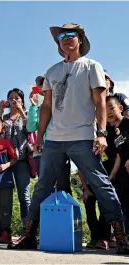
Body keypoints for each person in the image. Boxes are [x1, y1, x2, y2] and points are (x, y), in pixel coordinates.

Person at [8, 23, 129, 254]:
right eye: (61, 36)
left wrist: (101, 133)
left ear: (80, 39)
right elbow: (47, 106)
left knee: (101, 184)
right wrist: (40, 136)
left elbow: (100, 102)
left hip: (83, 136)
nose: (65, 39)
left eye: (70, 35)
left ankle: (121, 237)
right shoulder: (52, 71)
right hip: (54, 139)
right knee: (42, 186)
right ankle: (29, 235)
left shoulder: (92, 66)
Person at [27, 76, 72, 194]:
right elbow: (31, 127)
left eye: (44, 86)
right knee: (45, 188)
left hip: (60, 150)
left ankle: (67, 212)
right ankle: (46, 212)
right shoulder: (37, 109)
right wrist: (33, 106)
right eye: (39, 87)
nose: (42, 90)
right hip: (41, 152)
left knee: (63, 186)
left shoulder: (61, 104)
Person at [0, 88, 32, 228]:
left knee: (24, 196)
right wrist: (0, 111)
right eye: (10, 98)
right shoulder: (4, 118)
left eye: (17, 98)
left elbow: (30, 129)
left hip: (21, 160)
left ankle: (28, 228)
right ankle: (4, 229)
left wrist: (21, 111)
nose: (13, 100)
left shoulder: (27, 115)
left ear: (22, 101)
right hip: (5, 161)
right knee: (5, 196)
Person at [106, 95, 129, 240]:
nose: (108, 112)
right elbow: (119, 156)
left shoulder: (127, 123)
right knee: (124, 205)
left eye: (111, 108)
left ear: (120, 108)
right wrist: (111, 176)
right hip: (122, 174)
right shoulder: (111, 133)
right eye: (105, 109)